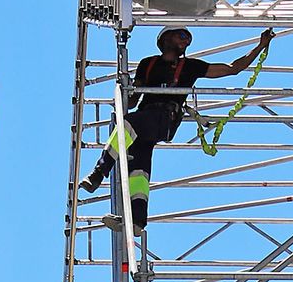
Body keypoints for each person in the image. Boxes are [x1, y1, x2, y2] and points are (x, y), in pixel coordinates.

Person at [82, 24, 273, 229]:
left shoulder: (191, 67)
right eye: (182, 36)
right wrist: (124, 93)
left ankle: (99, 172)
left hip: (165, 118)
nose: (186, 41)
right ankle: (137, 220)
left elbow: (233, 68)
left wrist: (261, 45)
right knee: (139, 170)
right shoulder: (148, 64)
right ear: (166, 38)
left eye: (188, 39)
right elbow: (134, 101)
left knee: (127, 124)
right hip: (146, 119)